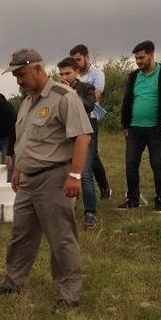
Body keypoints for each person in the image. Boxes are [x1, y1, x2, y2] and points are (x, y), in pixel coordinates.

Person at [0, 48, 92, 308]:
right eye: (15, 76)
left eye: (21, 74)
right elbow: (25, 139)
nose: (18, 80)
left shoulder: (64, 97)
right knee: (21, 233)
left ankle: (68, 292)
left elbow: (82, 136)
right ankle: (13, 281)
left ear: (37, 68)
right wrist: (18, 169)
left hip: (55, 177)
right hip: (28, 178)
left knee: (60, 237)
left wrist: (74, 174)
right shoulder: (27, 100)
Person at [118, 40, 161, 213]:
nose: (138, 61)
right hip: (134, 129)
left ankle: (160, 201)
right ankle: (133, 200)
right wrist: (125, 124)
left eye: (142, 57)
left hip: (156, 128)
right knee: (130, 164)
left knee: (157, 164)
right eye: (136, 58)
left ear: (151, 55)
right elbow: (127, 101)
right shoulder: (133, 76)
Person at [57, 57, 98, 229]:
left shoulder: (87, 88)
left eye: (68, 73)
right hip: (65, 136)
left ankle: (90, 212)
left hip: (83, 134)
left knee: (85, 173)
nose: (64, 76)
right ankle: (67, 210)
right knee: (64, 173)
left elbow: (88, 106)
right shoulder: (56, 90)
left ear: (77, 72)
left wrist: (70, 92)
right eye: (61, 73)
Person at [70, 43, 112, 199]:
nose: (76, 63)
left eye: (79, 59)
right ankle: (103, 188)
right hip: (74, 120)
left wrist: (75, 96)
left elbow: (95, 97)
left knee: (89, 157)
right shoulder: (73, 73)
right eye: (73, 60)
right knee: (91, 156)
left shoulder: (97, 74)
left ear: (87, 57)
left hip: (91, 119)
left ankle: (102, 188)